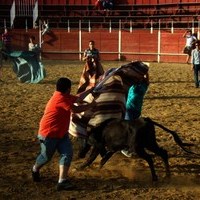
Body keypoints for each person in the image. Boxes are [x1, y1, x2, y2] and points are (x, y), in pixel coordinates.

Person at [31, 77, 93, 191]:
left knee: (67, 154)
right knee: (46, 157)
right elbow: (75, 109)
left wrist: (91, 90)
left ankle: (62, 181)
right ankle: (35, 169)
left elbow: (78, 98)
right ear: (68, 89)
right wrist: (91, 105)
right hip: (48, 134)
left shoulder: (63, 95)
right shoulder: (60, 99)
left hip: (61, 133)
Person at [121, 73, 149, 157]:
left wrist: (145, 72)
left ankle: (129, 147)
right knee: (128, 129)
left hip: (136, 110)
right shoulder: (136, 85)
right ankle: (124, 148)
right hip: (129, 109)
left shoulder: (142, 85)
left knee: (132, 130)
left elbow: (147, 79)